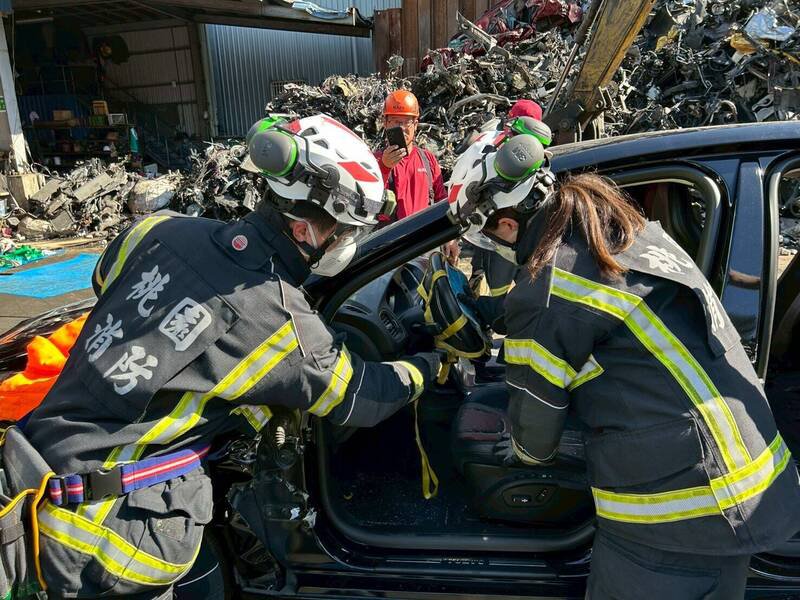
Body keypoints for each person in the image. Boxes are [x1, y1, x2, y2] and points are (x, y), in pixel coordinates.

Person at [22, 114, 440, 599]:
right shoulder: (280, 321)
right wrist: (426, 369)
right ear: (306, 231)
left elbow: (105, 281)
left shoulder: (158, 229)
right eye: (344, 233)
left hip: (33, 474)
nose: (346, 244)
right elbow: (358, 398)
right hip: (105, 535)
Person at [448, 131, 800, 599]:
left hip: (682, 512)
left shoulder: (546, 287)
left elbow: (533, 444)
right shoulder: (622, 231)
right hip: (738, 476)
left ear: (508, 225)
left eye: (490, 238)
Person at [375, 89, 458, 262]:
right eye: (396, 121)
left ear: (416, 124)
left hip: (423, 244)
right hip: (388, 248)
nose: (403, 128)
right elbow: (367, 205)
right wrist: (384, 167)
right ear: (386, 123)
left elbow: (442, 201)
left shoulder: (427, 159)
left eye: (408, 122)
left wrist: (450, 237)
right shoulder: (374, 160)